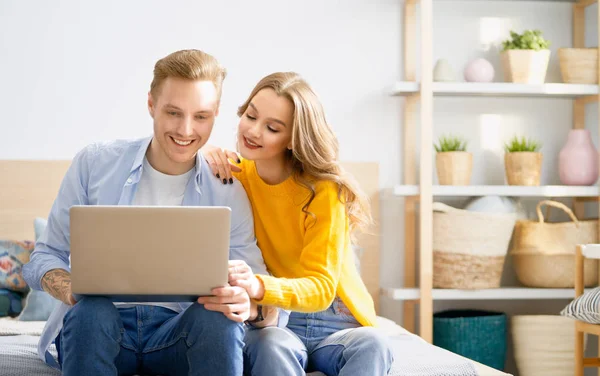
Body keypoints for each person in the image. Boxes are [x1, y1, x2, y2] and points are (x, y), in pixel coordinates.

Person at [22, 49, 281, 376]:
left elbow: (265, 292)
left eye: (201, 116)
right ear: (151, 105)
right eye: (174, 112)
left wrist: (251, 307)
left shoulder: (229, 188)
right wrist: (69, 287)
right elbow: (45, 256)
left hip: (178, 331)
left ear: (216, 113)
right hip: (100, 326)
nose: (186, 130)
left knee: (219, 318)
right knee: (91, 310)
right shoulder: (94, 163)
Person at [200, 72, 394, 376]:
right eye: (251, 115)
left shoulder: (323, 190)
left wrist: (257, 284)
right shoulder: (234, 176)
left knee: (374, 344)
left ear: (293, 139)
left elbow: (321, 288)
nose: (253, 131)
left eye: (272, 128)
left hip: (337, 318)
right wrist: (204, 152)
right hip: (277, 317)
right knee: (270, 345)